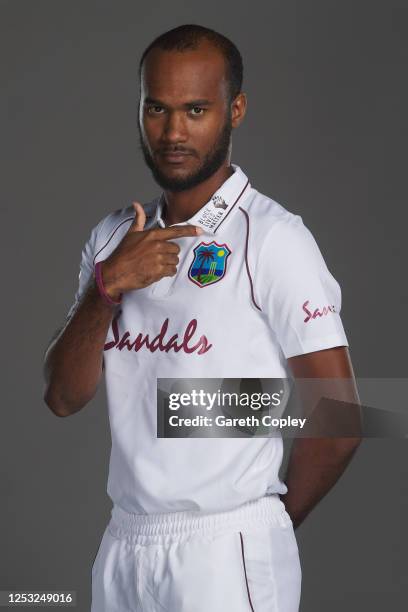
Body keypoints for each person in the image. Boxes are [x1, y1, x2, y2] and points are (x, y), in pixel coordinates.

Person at [43, 24, 361, 612]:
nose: (173, 132)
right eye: (156, 109)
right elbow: (63, 396)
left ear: (234, 110)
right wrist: (106, 287)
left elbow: (340, 415)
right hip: (124, 542)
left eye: (196, 109)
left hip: (228, 543)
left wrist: (266, 526)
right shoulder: (114, 236)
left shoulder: (272, 239)